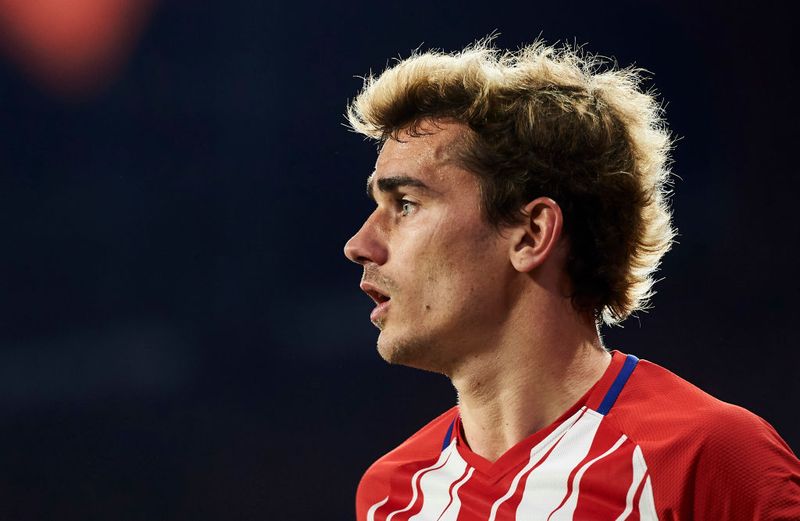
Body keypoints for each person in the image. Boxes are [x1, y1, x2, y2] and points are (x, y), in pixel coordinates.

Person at [343, 39, 800, 521]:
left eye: (406, 204)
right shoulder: (390, 496)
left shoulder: (707, 457)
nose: (359, 244)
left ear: (532, 234)